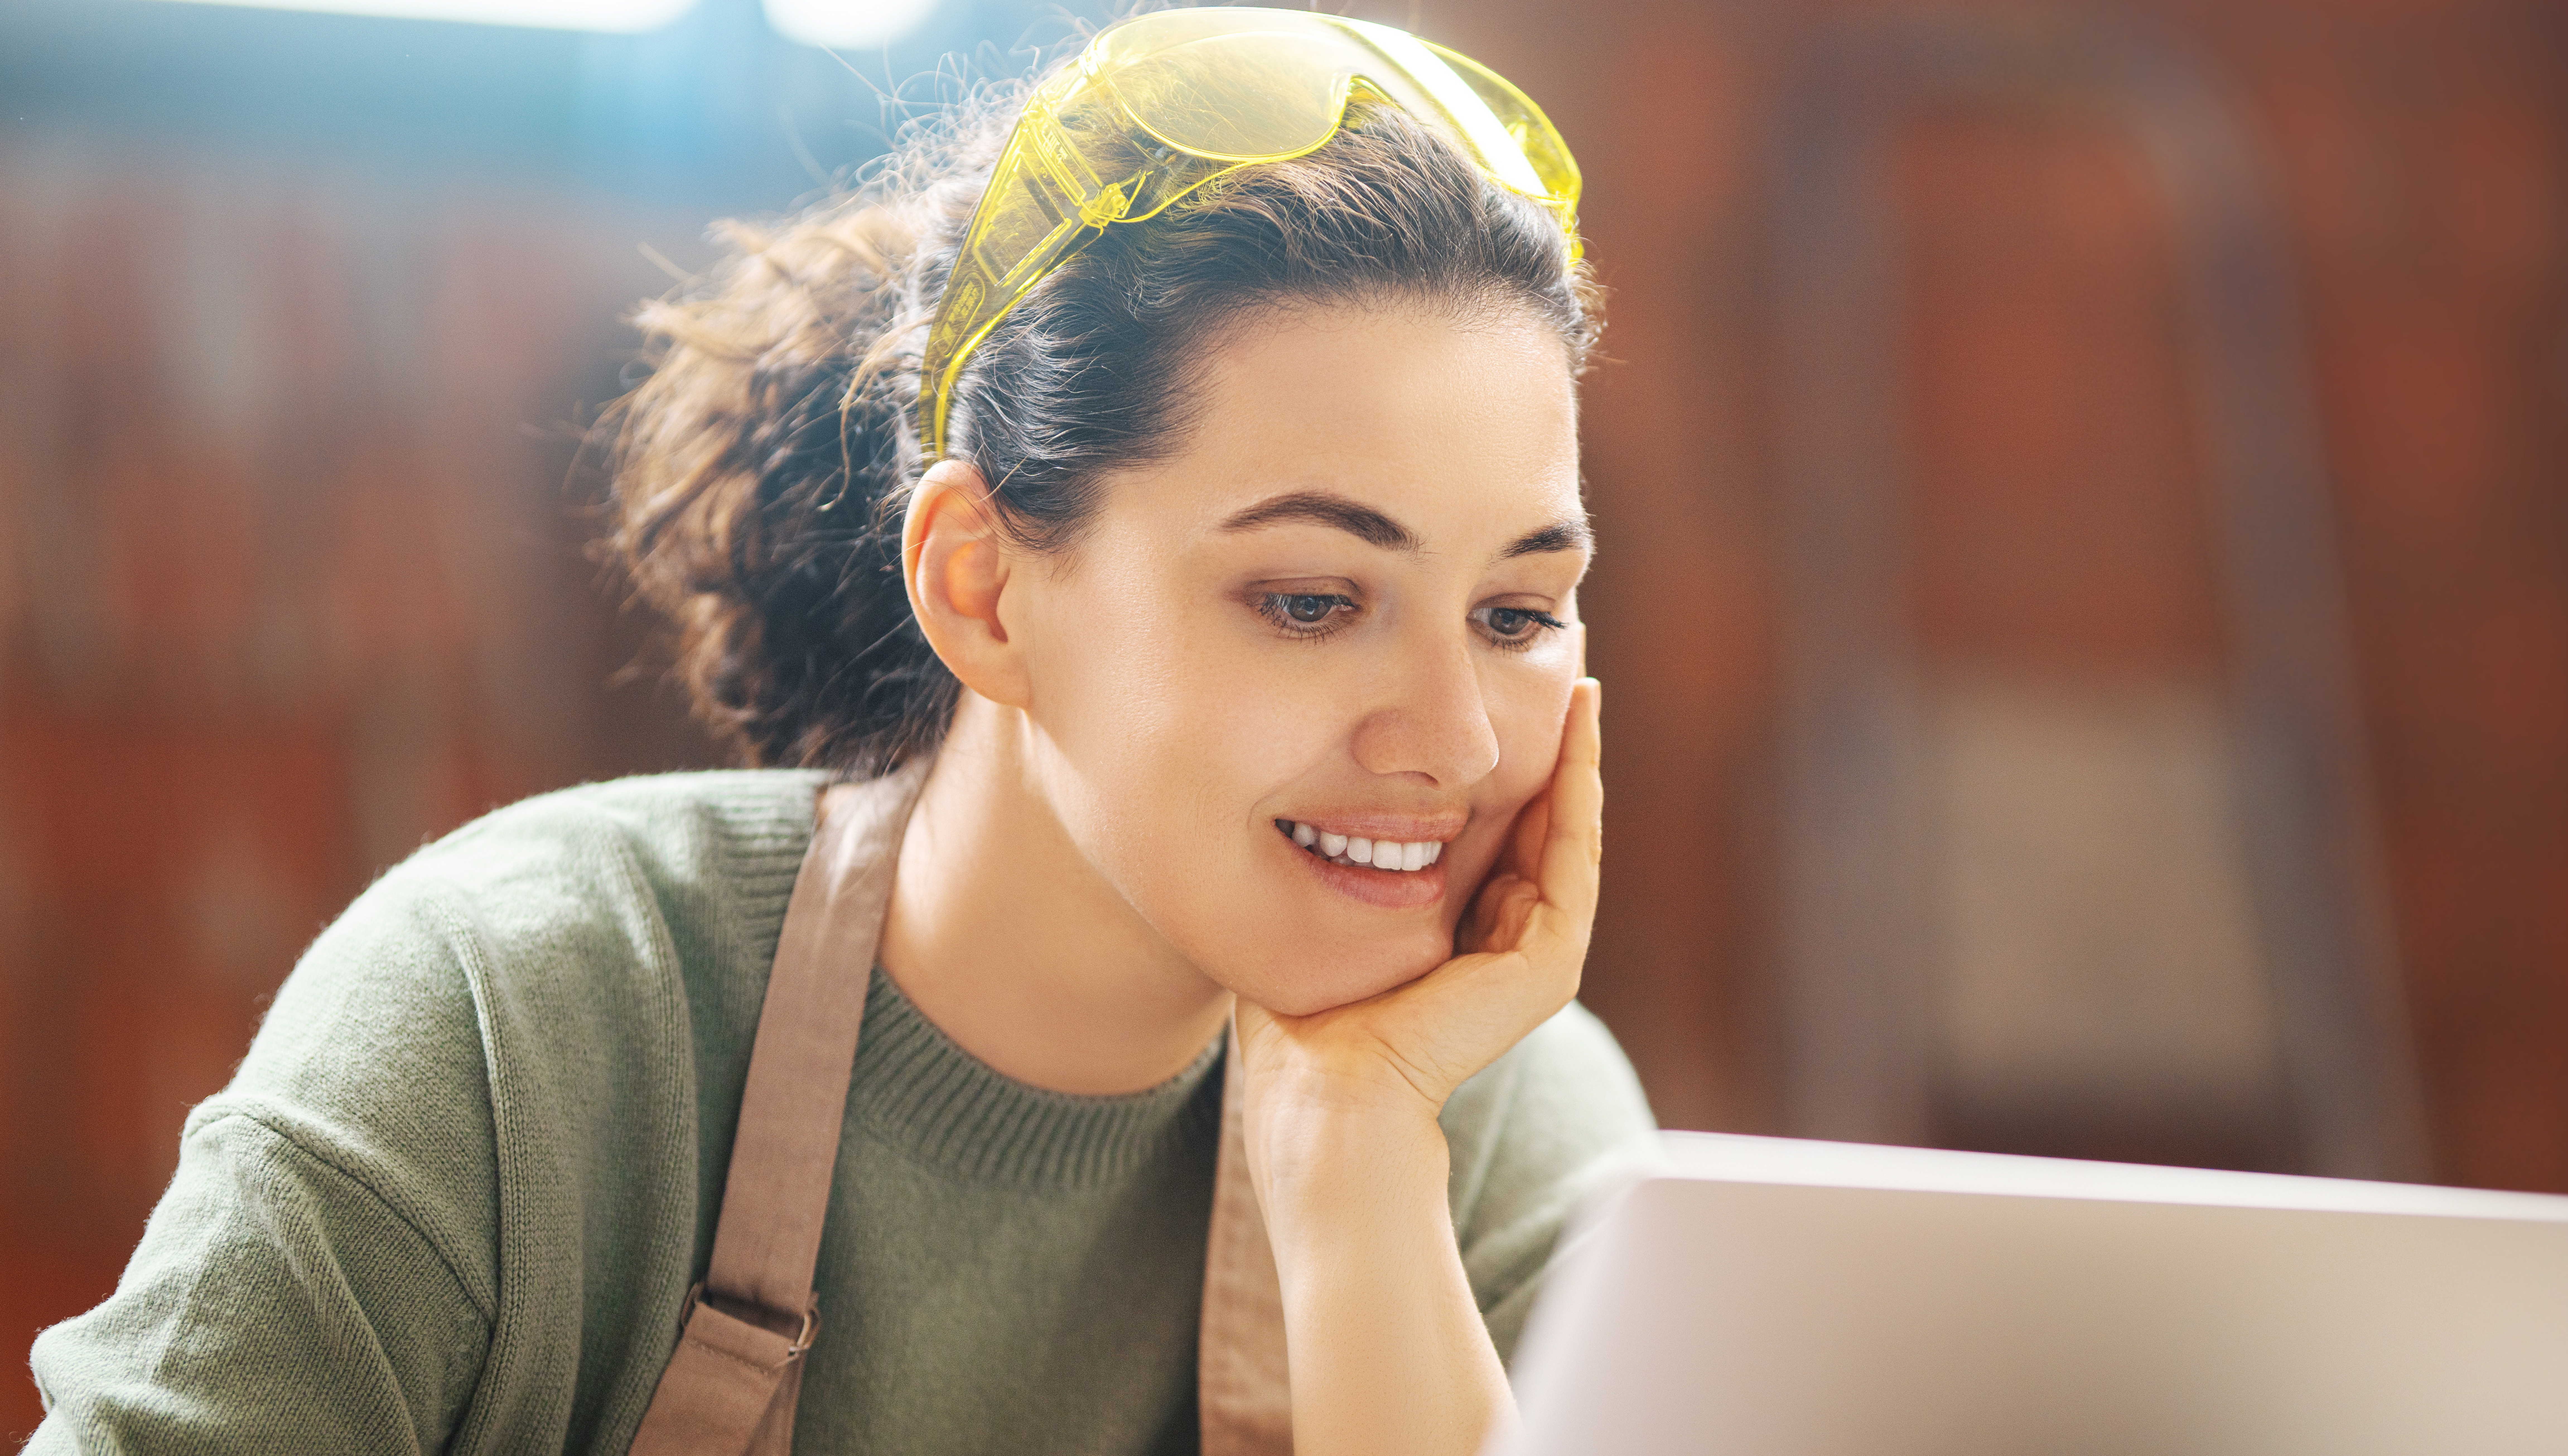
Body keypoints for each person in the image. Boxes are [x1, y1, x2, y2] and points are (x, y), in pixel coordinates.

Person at [23, 9, 1654, 1455]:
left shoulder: (1505, 1124)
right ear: (986, 589)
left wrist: (1359, 1166)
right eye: (1311, 599)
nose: (1450, 739)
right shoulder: (518, 1032)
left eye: (1516, 616)